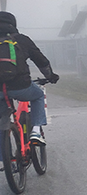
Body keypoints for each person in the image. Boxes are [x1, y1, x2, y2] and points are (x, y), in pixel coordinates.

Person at [0, 12, 59, 144]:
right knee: (38, 96)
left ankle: (5, 161)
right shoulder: (21, 39)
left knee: (1, 124)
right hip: (21, 86)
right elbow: (41, 60)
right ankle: (36, 131)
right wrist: (50, 76)